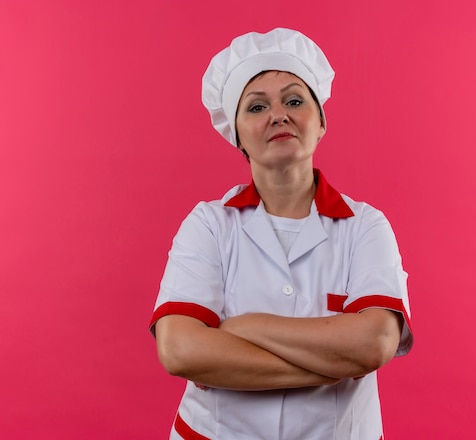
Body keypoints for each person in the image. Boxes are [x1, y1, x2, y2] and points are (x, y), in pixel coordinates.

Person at [150, 28, 413, 440]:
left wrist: (240, 327)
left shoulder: (366, 226)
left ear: (321, 122)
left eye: (294, 100)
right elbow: (180, 349)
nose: (278, 115)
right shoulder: (208, 225)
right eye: (256, 107)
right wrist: (335, 362)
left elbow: (375, 342)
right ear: (237, 135)